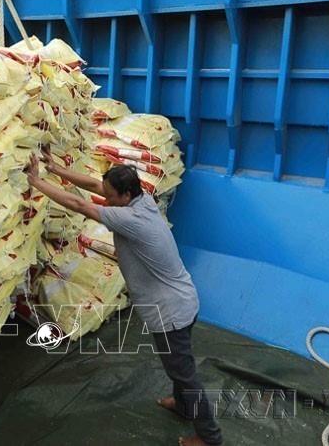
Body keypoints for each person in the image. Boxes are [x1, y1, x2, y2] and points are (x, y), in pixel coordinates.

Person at [26, 153, 224, 446]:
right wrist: (55, 168)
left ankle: (210, 437)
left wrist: (36, 181)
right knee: (178, 366)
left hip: (171, 312)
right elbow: (94, 185)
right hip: (182, 299)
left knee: (184, 373)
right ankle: (183, 406)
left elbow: (80, 204)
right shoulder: (143, 201)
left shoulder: (129, 219)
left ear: (126, 195)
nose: (105, 199)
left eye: (110, 196)